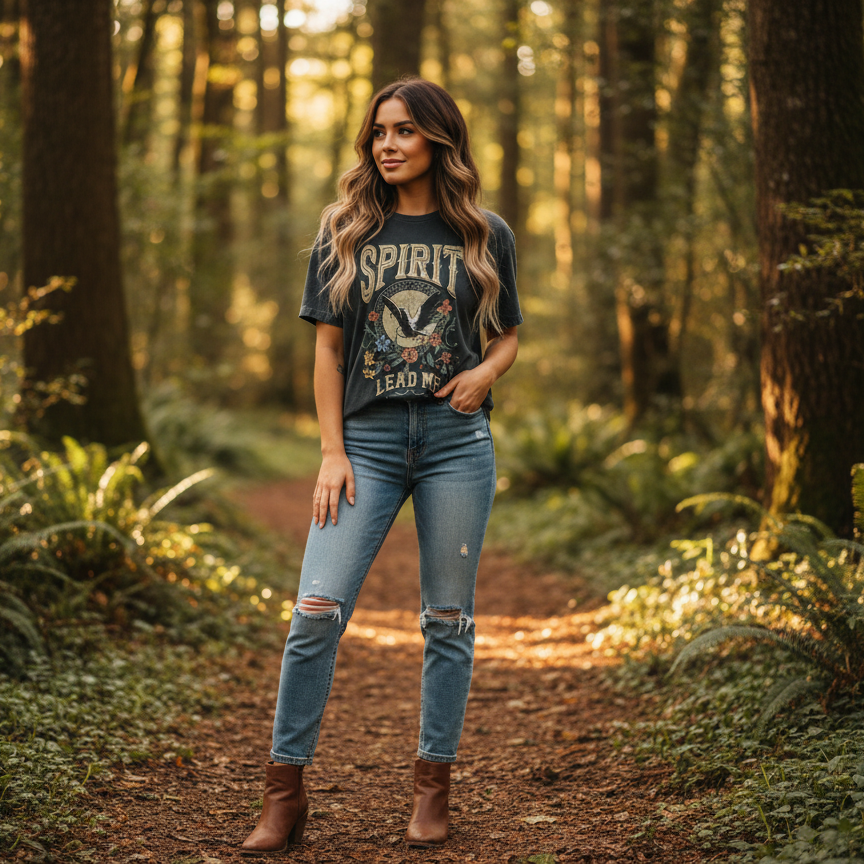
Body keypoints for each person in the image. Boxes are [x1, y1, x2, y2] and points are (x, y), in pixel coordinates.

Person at [240, 77, 522, 856]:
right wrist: (331, 452)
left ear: (438, 139)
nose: (386, 145)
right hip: (363, 442)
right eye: (377, 132)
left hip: (455, 444)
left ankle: (433, 791)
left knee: (447, 621)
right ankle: (284, 793)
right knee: (314, 613)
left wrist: (486, 373)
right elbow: (328, 352)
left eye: (403, 131)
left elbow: (507, 334)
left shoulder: (484, 232)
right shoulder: (345, 229)